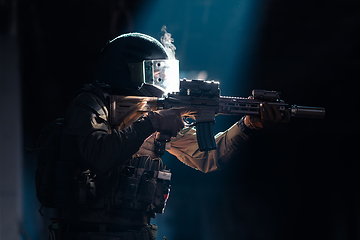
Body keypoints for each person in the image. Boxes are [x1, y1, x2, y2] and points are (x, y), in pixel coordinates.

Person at [53, 32, 288, 240]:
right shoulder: (91, 105)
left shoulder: (154, 113)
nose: (162, 80)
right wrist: (153, 122)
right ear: (132, 71)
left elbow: (208, 157)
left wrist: (247, 124)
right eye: (156, 71)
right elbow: (97, 155)